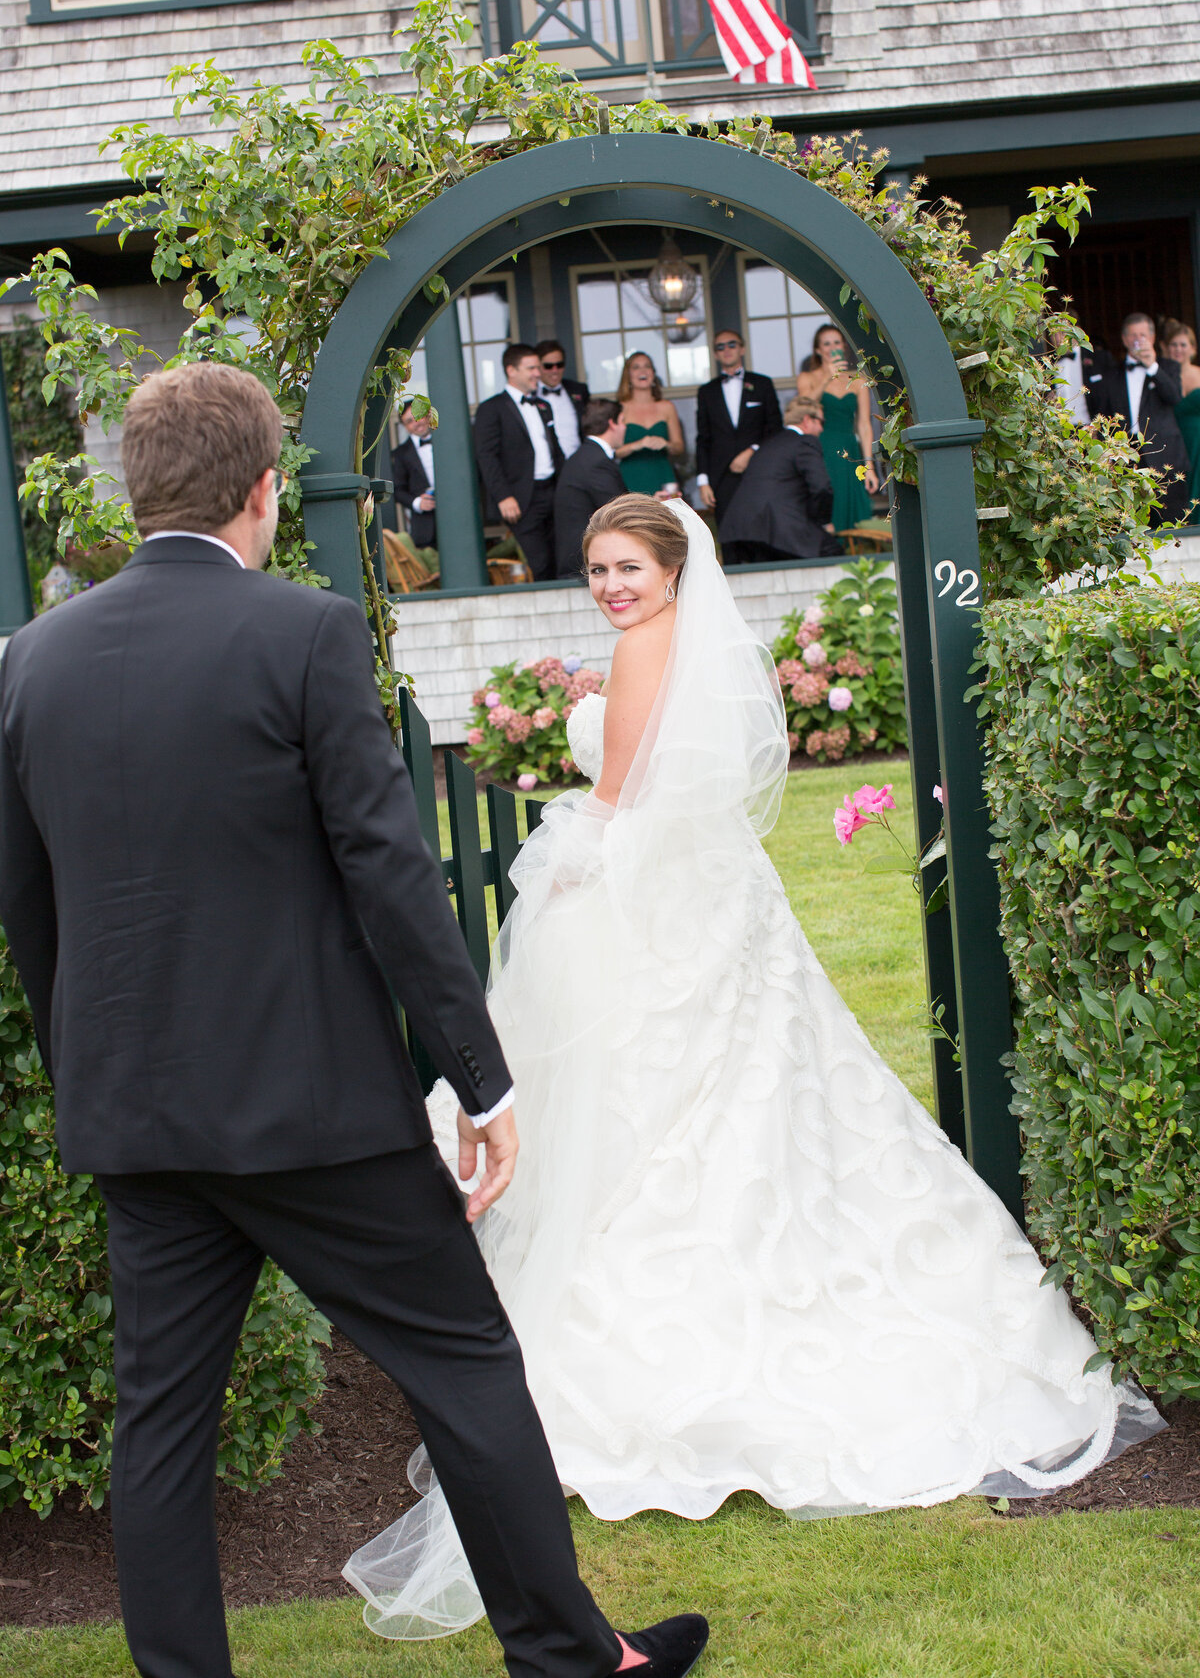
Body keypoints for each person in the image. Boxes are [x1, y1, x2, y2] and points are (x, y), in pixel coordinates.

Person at [347, 492, 1163, 1639]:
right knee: (755, 1098)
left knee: (664, 1108)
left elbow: (622, 802)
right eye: (597, 567)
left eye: (628, 565)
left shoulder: (643, 648)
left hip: (658, 911)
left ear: (676, 568)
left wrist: (561, 868)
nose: (612, 585)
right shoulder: (699, 646)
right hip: (718, 900)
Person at [0, 365, 707, 1678]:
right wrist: (482, 1084)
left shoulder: (29, 662)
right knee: (465, 1364)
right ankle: (571, 1661)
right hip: (314, 1110)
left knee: (159, 1430)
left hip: (142, 1120)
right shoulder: (308, 636)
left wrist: (91, 1079)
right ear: (265, 490)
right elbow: (393, 877)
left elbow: (30, 910)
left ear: (135, 490)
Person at [1086, 311, 1190, 525]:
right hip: (1127, 455)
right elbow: (1102, 415)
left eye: (1142, 335)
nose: (1137, 340)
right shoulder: (1111, 375)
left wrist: (1153, 367)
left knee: (1170, 518)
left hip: (1163, 455)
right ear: (1124, 340)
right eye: (1133, 335)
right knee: (1128, 519)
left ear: (1152, 338)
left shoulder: (1167, 367)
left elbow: (1174, 397)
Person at [474, 343, 564, 581]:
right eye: (531, 368)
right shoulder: (491, 408)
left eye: (538, 367)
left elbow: (555, 451)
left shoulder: (542, 405)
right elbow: (486, 456)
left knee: (562, 556)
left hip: (553, 490)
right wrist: (503, 496)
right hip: (522, 497)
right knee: (539, 561)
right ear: (511, 370)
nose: (538, 373)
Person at [718, 397, 843, 565]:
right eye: (821, 422)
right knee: (834, 553)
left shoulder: (769, 443)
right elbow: (821, 487)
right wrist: (824, 522)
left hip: (741, 529)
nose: (821, 429)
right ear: (807, 420)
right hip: (778, 527)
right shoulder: (805, 442)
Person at [694, 329, 782, 522]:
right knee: (729, 535)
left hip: (759, 471)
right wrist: (703, 482)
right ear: (715, 354)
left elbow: (775, 429)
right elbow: (703, 438)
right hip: (721, 478)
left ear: (742, 349)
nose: (727, 349)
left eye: (732, 344)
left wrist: (752, 451)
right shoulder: (706, 392)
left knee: (761, 533)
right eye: (720, 346)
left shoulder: (763, 384)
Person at [802, 323, 877, 533]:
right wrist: (827, 376)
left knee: (853, 503)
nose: (832, 347)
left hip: (848, 448)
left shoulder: (858, 381)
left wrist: (869, 466)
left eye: (836, 342)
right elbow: (804, 409)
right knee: (827, 499)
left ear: (843, 346)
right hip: (821, 448)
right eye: (826, 343)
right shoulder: (808, 378)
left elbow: (863, 425)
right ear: (818, 350)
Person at [555, 398, 628, 578]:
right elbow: (619, 510)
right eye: (623, 421)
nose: (626, 427)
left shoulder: (586, 456)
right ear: (612, 423)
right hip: (586, 563)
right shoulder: (595, 461)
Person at [613, 352, 684, 495]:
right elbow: (613, 452)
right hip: (630, 478)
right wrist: (637, 445)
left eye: (647, 366)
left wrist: (666, 444)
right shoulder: (619, 409)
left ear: (653, 373)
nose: (643, 371)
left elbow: (679, 447)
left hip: (663, 475)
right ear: (628, 375)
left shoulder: (667, 407)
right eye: (636, 367)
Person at [1162, 318, 1200, 511]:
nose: (1178, 349)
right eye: (1174, 344)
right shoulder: (1161, 377)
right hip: (1173, 443)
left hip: (1198, 441)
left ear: (1192, 349)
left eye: (1183, 345)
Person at [390, 401, 437, 549]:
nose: (416, 423)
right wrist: (417, 502)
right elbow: (397, 490)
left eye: (418, 416)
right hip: (425, 529)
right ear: (405, 426)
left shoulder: (448, 441)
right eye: (409, 421)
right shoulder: (400, 454)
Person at [1048, 327, 1110, 427]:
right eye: (1053, 333)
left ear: (1077, 331)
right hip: (1060, 430)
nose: (1058, 338)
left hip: (1091, 428)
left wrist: (1098, 428)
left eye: (1063, 333)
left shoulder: (1099, 358)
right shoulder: (1047, 364)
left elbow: (1110, 396)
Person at [538, 339, 589, 461]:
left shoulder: (578, 390)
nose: (555, 370)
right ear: (538, 367)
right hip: (546, 469)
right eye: (548, 366)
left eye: (559, 365)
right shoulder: (530, 395)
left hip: (577, 463)